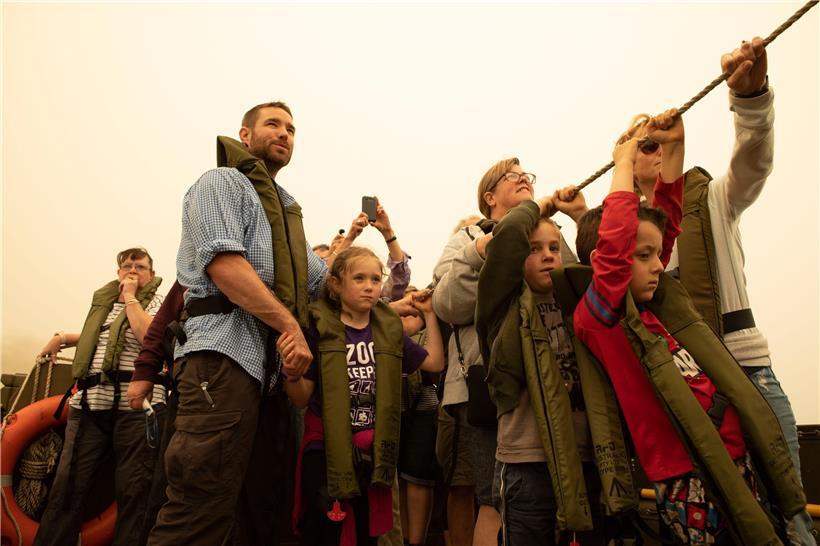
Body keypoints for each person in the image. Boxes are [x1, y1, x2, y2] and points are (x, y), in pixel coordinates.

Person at [572, 109, 804, 544]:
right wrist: (623, 163)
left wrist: (674, 147)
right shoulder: (601, 317)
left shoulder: (654, 305)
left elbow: (665, 221)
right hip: (685, 472)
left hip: (731, 454)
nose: (659, 265)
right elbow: (618, 247)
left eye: (656, 254)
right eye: (644, 257)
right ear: (603, 263)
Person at [623, 37, 815, 545]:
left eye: (658, 142)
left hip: (747, 371)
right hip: (686, 390)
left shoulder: (711, 198)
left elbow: (754, 163)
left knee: (792, 517)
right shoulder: (622, 237)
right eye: (641, 144)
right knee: (718, 528)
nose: (653, 150)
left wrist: (751, 99)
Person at [144, 101, 329, 545]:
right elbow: (225, 266)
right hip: (220, 362)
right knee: (199, 508)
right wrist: (290, 326)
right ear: (245, 135)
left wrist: (397, 299)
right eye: (273, 124)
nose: (284, 133)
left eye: (291, 129)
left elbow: (325, 284)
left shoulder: (286, 219)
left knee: (262, 512)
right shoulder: (221, 183)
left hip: (270, 381)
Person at [475, 189, 638, 546]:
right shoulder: (501, 306)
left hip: (587, 458)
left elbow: (609, 259)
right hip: (527, 463)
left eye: (553, 247)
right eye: (534, 249)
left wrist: (579, 214)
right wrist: (541, 206)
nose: (548, 255)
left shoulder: (578, 299)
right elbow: (507, 240)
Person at [431, 159, 580, 546]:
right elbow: (447, 304)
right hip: (488, 386)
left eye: (528, 176)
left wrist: (575, 218)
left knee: (561, 493)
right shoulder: (467, 238)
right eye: (513, 177)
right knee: (493, 498)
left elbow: (573, 290)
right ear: (490, 196)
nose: (525, 180)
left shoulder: (549, 230)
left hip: (554, 384)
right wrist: (486, 249)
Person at [283, 246, 445, 546]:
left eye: (375, 279)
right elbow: (301, 398)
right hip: (325, 449)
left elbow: (434, 363)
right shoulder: (320, 328)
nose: (369, 286)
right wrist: (293, 374)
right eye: (359, 278)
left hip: (372, 453)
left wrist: (430, 315)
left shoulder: (387, 329)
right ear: (336, 284)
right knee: (325, 531)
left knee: (366, 534)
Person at [34, 247, 164, 546]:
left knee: (135, 492)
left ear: (152, 274)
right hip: (89, 407)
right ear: (118, 272)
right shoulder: (103, 304)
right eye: (127, 266)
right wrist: (63, 337)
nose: (133, 271)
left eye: (140, 267)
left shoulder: (158, 302)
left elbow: (150, 337)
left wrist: (130, 297)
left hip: (137, 411)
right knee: (66, 489)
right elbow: (102, 335)